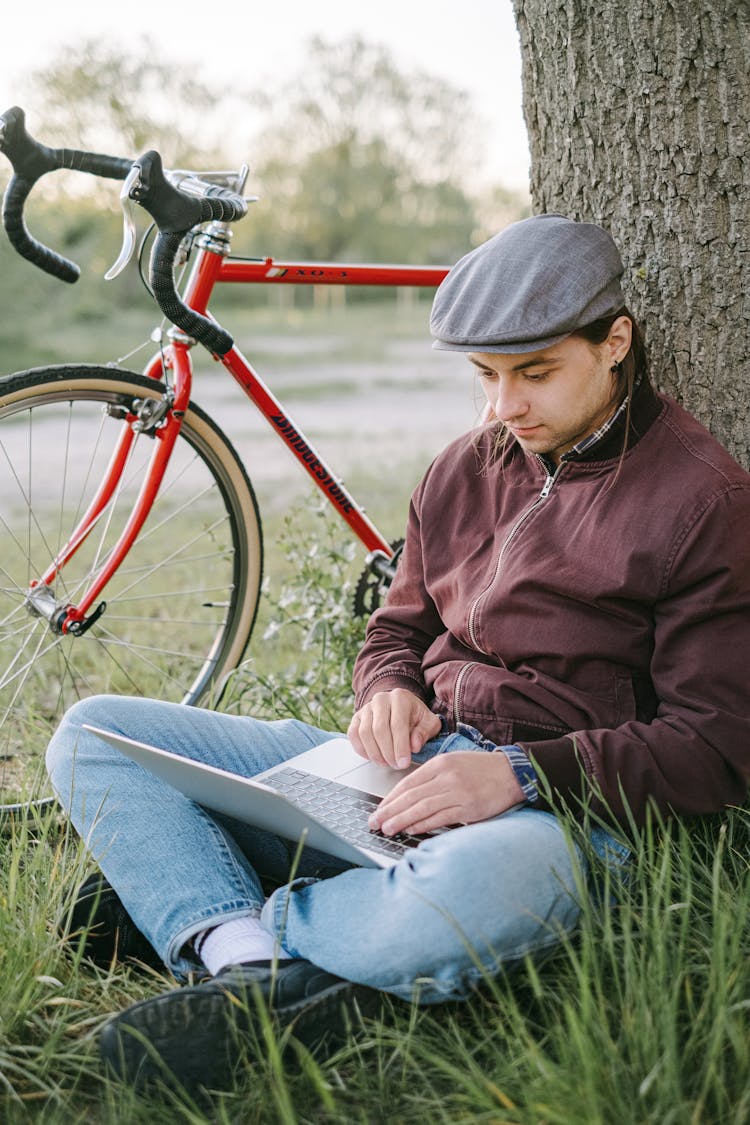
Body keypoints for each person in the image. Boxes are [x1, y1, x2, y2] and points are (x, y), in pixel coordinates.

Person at [47, 214, 750, 1092]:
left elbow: (716, 743)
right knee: (92, 732)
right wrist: (386, 689)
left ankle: (216, 899)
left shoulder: (702, 499)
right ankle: (253, 960)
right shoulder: (462, 467)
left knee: (481, 892)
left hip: (555, 818)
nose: (504, 407)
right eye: (485, 377)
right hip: (401, 770)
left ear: (615, 343)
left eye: (534, 374)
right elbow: (397, 629)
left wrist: (522, 776)